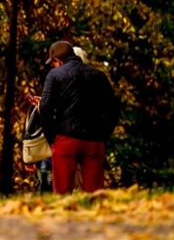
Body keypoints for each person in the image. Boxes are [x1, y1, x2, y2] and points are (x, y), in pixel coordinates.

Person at [29, 41, 119, 194]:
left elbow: (46, 108)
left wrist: (52, 137)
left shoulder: (55, 75)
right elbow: (113, 109)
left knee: (62, 192)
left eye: (53, 63)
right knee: (94, 193)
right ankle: (92, 217)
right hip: (94, 140)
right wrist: (104, 135)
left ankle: (66, 218)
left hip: (65, 139)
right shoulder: (99, 75)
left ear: (58, 61)